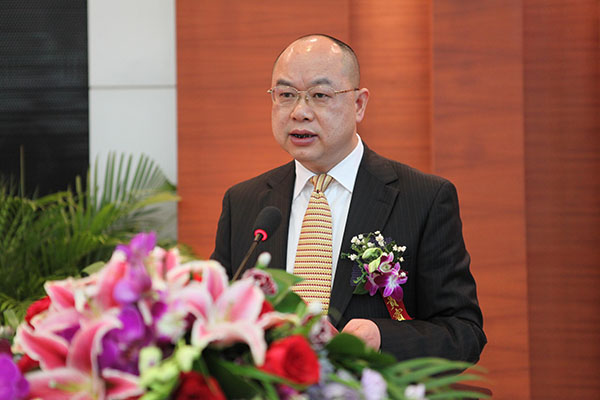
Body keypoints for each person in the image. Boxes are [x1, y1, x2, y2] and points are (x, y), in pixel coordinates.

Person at [211, 34, 486, 362]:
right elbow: (218, 317)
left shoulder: (424, 199)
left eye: (319, 95)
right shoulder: (244, 202)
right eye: (286, 95)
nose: (299, 112)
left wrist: (381, 338)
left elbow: (463, 333)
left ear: (359, 104)